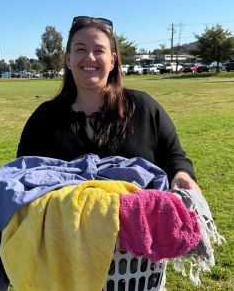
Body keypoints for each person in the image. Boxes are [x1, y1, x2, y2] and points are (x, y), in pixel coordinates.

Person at [17, 16, 201, 192]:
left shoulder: (144, 108)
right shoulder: (44, 118)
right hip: (64, 223)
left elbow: (175, 157)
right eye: (80, 49)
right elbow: (23, 172)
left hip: (139, 221)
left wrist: (182, 174)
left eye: (99, 50)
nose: (90, 57)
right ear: (68, 60)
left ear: (112, 61)